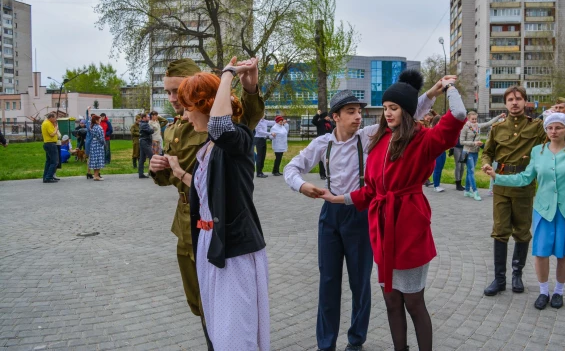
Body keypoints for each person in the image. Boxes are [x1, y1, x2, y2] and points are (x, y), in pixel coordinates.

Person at [284, 72, 447, 351]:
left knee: (360, 283)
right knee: (328, 282)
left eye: (359, 111)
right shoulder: (322, 144)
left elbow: (406, 109)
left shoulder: (370, 135)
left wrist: (432, 92)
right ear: (335, 117)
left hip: (361, 213)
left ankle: (356, 341)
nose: (358, 117)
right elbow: (292, 168)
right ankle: (326, 343)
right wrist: (302, 186)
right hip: (330, 216)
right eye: (351, 112)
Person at [320, 74, 466, 351]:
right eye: (385, 107)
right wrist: (338, 198)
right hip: (383, 229)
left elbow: (458, 113)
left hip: (410, 228)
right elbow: (371, 192)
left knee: (413, 301)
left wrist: (448, 87)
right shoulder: (379, 139)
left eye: (394, 107)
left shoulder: (424, 140)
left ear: (406, 110)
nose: (387, 113)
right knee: (390, 300)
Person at [148, 57, 264, 349]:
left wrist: (235, 80)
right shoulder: (176, 130)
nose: (173, 101)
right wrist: (163, 170)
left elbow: (231, 123)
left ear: (201, 101)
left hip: (227, 236)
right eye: (170, 92)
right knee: (205, 307)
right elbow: (200, 183)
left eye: (180, 94)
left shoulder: (229, 134)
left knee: (232, 319)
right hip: (193, 227)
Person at [484, 111, 565, 310]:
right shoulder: (538, 151)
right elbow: (525, 178)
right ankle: (543, 291)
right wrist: (498, 176)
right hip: (545, 209)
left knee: (564, 254)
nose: (553, 131)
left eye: (558, 127)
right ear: (546, 130)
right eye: (550, 128)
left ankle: (559, 292)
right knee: (541, 253)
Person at [459, 111, 504, 201]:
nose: (474, 120)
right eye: (473, 119)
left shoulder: (478, 126)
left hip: (475, 152)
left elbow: (489, 123)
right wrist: (474, 143)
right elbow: (461, 141)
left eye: (476, 119)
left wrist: (499, 116)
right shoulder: (465, 127)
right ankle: (475, 191)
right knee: (471, 172)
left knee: (469, 171)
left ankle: (467, 190)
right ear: (468, 118)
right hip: (468, 152)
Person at [313, 110, 336, 180]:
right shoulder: (320, 122)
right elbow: (314, 121)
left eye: (329, 116)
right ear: (323, 117)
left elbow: (336, 127)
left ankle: (328, 173)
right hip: (321, 142)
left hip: (330, 142)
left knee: (329, 158)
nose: (328, 117)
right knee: (322, 159)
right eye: (327, 116)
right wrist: (318, 114)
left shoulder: (330, 123)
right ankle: (322, 174)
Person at [429, 115, 447, 192]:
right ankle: (436, 185)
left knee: (440, 168)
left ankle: (438, 183)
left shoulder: (443, 130)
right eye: (440, 121)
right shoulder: (433, 130)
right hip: (436, 151)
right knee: (437, 168)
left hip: (443, 151)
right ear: (436, 122)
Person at [41, 112, 60, 183]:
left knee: (48, 161)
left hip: (48, 144)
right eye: (55, 118)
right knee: (54, 162)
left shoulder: (46, 123)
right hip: (50, 144)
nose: (56, 119)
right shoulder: (47, 123)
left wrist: (54, 126)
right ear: (51, 118)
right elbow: (52, 134)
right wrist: (56, 128)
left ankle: (46, 176)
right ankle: (48, 177)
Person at [88, 114, 106, 181]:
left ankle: (95, 175)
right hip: (98, 145)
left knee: (95, 160)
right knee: (99, 159)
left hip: (93, 144)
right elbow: (101, 138)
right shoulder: (99, 127)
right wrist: (104, 143)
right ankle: (96, 176)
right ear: (96, 120)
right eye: (99, 119)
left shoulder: (92, 127)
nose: (100, 121)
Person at [138, 113, 154, 179]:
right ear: (144, 118)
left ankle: (141, 174)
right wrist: (153, 129)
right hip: (145, 142)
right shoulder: (144, 124)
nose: (149, 118)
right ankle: (153, 172)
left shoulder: (143, 124)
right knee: (152, 156)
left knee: (142, 158)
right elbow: (150, 131)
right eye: (147, 117)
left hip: (143, 141)